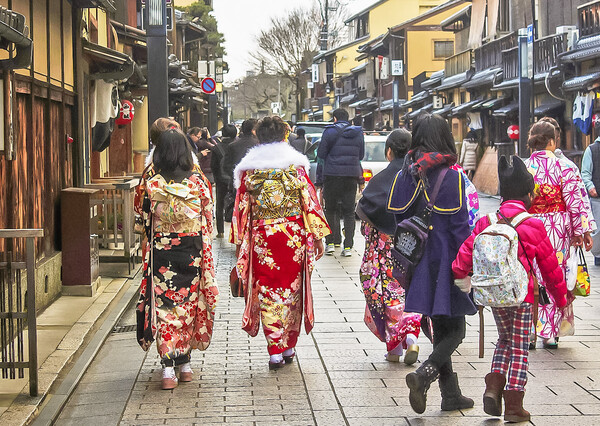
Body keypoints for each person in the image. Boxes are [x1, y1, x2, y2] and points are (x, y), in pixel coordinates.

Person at [453, 155, 567, 422]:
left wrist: (462, 277)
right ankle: (514, 403)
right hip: (522, 296)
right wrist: (561, 299)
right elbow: (550, 268)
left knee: (504, 339)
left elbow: (465, 253)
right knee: (518, 346)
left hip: (494, 295)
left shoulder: (487, 221)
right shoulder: (533, 225)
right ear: (528, 194)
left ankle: (493, 389)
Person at [387, 113, 476, 414]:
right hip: (448, 261)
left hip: (417, 262)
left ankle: (451, 394)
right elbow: (461, 227)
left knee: (440, 326)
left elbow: (398, 220)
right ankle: (425, 374)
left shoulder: (405, 174)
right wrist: (469, 265)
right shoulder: (453, 177)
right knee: (456, 330)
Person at [230, 116, 330, 369]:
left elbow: (242, 208)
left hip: (263, 238)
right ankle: (290, 346)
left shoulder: (249, 170)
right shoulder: (295, 166)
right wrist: (317, 236)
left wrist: (240, 241)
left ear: (258, 136)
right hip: (293, 238)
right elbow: (310, 203)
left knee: (268, 291)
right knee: (293, 291)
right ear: (285, 135)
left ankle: (275, 349)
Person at [135, 128, 218, 390]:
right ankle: (185, 365)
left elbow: (142, 214)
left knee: (164, 306)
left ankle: (168, 369)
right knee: (190, 303)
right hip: (192, 247)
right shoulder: (198, 181)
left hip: (162, 249)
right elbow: (208, 216)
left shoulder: (151, 180)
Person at [356, 129, 422, 364]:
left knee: (389, 295)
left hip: (385, 251)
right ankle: (411, 336)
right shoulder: (419, 178)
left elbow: (366, 218)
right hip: (414, 249)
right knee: (411, 292)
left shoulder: (379, 180)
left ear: (389, 152)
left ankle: (396, 346)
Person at [524, 121, 589, 348]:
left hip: (528, 225)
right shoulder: (565, 167)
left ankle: (529, 331)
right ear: (552, 141)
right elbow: (574, 203)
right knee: (553, 275)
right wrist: (580, 232)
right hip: (557, 227)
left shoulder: (523, 167)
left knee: (531, 278)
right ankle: (549, 332)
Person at [317, 108, 365, 257]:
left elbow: (321, 154)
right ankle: (348, 246)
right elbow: (361, 155)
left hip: (332, 175)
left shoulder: (329, 132)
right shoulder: (358, 133)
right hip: (351, 176)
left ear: (335, 119)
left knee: (330, 209)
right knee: (349, 212)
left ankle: (330, 243)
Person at [211, 124, 238, 237]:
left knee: (220, 204)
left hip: (221, 179)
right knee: (237, 204)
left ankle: (220, 231)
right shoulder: (238, 145)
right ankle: (236, 230)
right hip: (235, 179)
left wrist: (217, 178)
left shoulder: (217, 148)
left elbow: (213, 165)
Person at [222, 118, 259, 183]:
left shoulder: (233, 145)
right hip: (256, 183)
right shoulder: (259, 145)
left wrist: (237, 175)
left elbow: (226, 166)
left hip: (237, 182)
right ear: (253, 130)